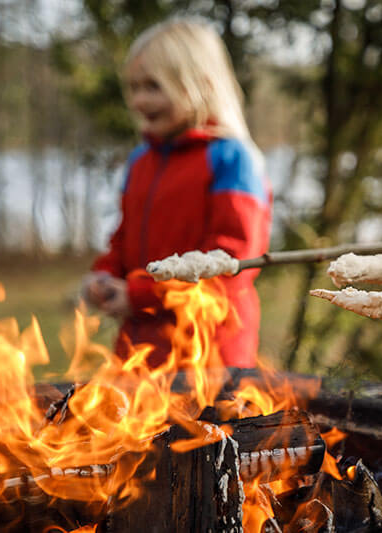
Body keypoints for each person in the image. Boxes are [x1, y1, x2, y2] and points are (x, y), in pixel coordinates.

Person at [82, 19, 271, 369]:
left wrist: (140, 296)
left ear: (201, 85)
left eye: (153, 87)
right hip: (139, 353)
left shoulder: (231, 159)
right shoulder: (141, 160)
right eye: (134, 87)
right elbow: (124, 238)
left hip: (208, 355)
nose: (138, 100)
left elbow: (231, 265)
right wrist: (105, 275)